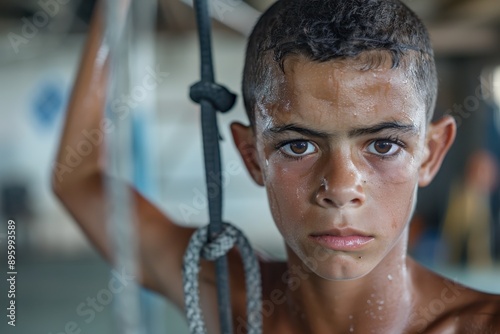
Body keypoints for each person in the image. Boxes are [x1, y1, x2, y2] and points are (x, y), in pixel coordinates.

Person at [52, 0, 500, 333]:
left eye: (383, 145)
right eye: (299, 146)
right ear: (252, 156)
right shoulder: (228, 297)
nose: (341, 187)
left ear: (431, 152)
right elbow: (78, 180)